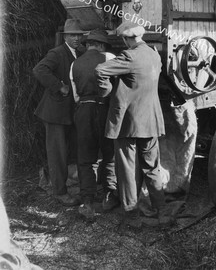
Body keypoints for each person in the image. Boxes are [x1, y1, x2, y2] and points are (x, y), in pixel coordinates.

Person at [94, 20, 170, 228]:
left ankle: (131, 214)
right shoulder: (155, 55)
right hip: (151, 120)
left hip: (128, 123)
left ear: (127, 39)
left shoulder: (129, 56)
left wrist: (107, 93)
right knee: (152, 167)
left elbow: (100, 70)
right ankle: (162, 211)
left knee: (127, 168)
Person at [33, 19, 85, 207]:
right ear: (65, 37)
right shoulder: (57, 53)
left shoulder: (79, 53)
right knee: (57, 153)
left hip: (68, 112)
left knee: (67, 151)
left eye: (79, 35)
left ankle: (64, 185)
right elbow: (39, 70)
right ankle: (59, 192)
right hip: (54, 113)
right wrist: (58, 86)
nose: (77, 38)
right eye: (73, 35)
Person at [69, 29, 119, 221]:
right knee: (109, 153)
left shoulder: (75, 64)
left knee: (85, 157)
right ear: (101, 45)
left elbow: (75, 95)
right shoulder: (109, 57)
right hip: (105, 110)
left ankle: (87, 199)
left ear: (88, 44)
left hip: (84, 109)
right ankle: (109, 195)